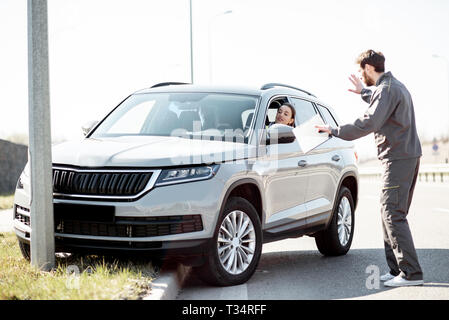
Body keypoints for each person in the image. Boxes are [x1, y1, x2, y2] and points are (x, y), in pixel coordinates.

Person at [316, 50, 424, 287]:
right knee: (390, 212)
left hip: (397, 158)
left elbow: (370, 121)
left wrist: (335, 130)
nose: (360, 75)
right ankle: (396, 268)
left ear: (367, 68)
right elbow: (379, 100)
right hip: (404, 156)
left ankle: (411, 273)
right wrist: (362, 92)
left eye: (359, 71)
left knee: (392, 213)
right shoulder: (393, 86)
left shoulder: (387, 89)